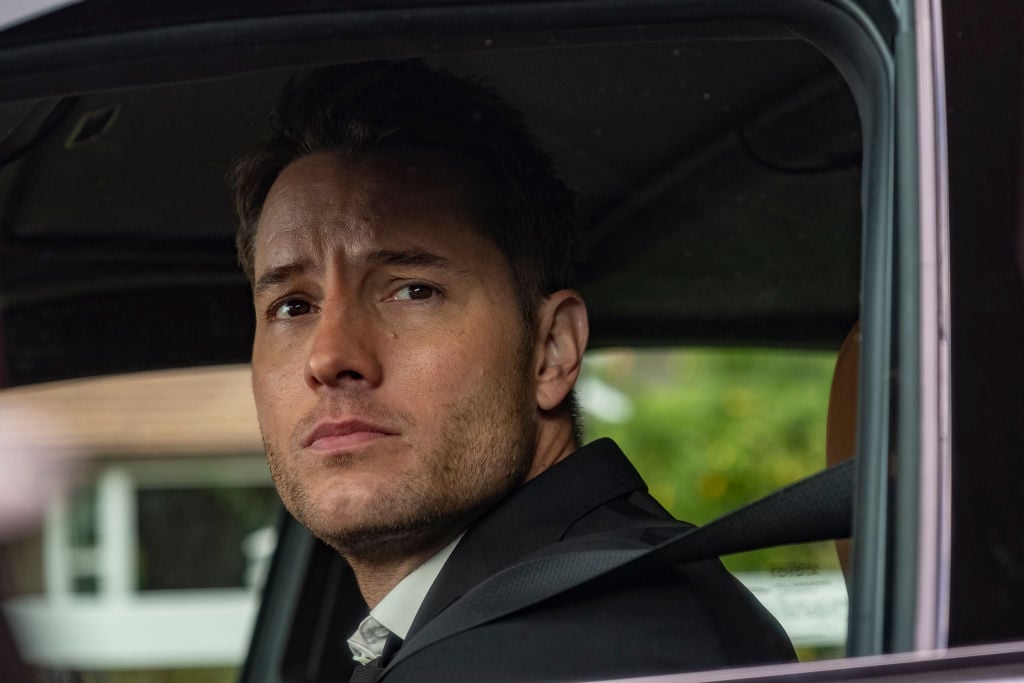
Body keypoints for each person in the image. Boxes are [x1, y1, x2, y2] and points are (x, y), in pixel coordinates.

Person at [229, 60, 795, 682]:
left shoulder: (579, 642)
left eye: (414, 290)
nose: (329, 358)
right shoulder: (515, 623)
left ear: (552, 350)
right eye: (292, 306)